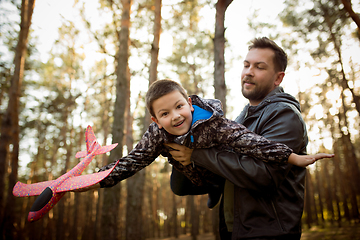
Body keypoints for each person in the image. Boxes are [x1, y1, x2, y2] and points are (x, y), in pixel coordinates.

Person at [79, 79, 332, 210]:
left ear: (189, 103)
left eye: (179, 107)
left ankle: (217, 187)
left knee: (219, 176)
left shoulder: (214, 124)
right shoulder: (156, 134)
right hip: (189, 173)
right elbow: (133, 161)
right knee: (177, 186)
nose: (176, 116)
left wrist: (291, 156)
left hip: (220, 170)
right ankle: (211, 189)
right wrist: (96, 180)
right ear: (155, 120)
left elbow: (251, 142)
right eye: (165, 114)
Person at [166, 37, 329, 239]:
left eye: (259, 67)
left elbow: (264, 176)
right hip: (234, 232)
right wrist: (184, 139)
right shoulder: (239, 121)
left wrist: (198, 155)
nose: (249, 72)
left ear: (278, 78)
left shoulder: (284, 115)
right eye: (246, 65)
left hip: (269, 233)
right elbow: (215, 176)